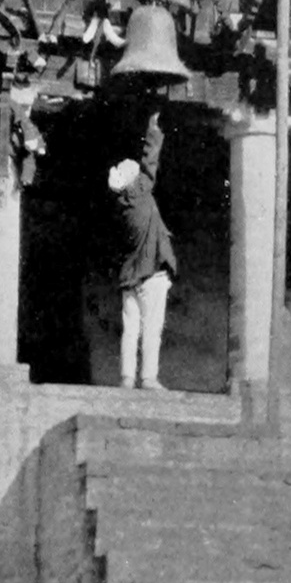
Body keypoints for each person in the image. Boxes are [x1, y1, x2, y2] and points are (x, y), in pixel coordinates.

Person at [106, 110, 177, 390]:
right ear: (133, 181)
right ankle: (148, 378)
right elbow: (150, 163)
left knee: (130, 329)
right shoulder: (140, 192)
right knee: (151, 328)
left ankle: (127, 378)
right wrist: (153, 130)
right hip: (151, 275)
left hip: (129, 278)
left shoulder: (122, 206)